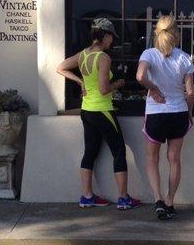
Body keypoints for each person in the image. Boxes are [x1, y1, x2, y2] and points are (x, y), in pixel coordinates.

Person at [56, 18, 140, 210]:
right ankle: (123, 198)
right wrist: (117, 84)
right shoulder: (103, 58)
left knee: (90, 152)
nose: (112, 41)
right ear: (105, 35)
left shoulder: (84, 55)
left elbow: (60, 68)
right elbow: (103, 89)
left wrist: (80, 82)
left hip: (87, 110)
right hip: (103, 110)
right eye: (112, 36)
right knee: (118, 151)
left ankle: (86, 196)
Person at [136, 15, 194, 220]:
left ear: (156, 32)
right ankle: (170, 201)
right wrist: (189, 113)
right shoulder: (184, 57)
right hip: (178, 112)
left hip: (156, 114)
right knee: (174, 160)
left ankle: (158, 199)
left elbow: (140, 76)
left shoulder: (148, 54)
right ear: (176, 33)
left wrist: (153, 88)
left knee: (152, 158)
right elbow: (190, 92)